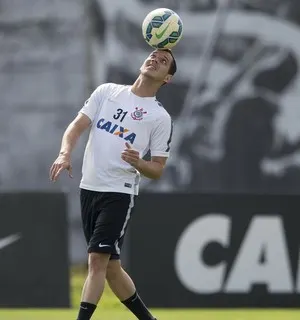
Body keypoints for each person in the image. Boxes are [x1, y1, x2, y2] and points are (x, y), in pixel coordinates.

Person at [49, 48, 176, 320]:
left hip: (119, 193)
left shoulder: (159, 117)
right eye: (153, 55)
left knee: (96, 261)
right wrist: (64, 153)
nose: (155, 60)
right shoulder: (107, 92)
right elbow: (76, 127)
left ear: (167, 79)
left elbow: (157, 170)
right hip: (89, 188)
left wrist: (139, 163)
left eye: (164, 61)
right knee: (111, 269)